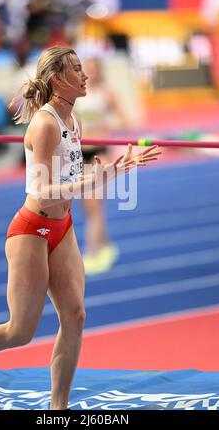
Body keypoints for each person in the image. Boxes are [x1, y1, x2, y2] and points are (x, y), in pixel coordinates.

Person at [0, 47, 161, 410]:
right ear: (58, 79)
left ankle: (59, 408)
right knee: (19, 332)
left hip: (62, 227)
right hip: (32, 230)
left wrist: (119, 168)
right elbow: (41, 189)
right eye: (76, 70)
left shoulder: (75, 120)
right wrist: (96, 179)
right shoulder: (45, 123)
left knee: (75, 315)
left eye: (84, 69)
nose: (85, 76)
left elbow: (72, 176)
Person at [74, 57, 131, 274]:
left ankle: (91, 252)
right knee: (87, 207)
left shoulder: (106, 95)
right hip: (79, 154)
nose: (89, 73)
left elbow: (127, 121)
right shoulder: (76, 96)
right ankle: (106, 246)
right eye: (85, 69)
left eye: (93, 69)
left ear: (100, 71)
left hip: (101, 154)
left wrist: (107, 125)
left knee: (94, 204)